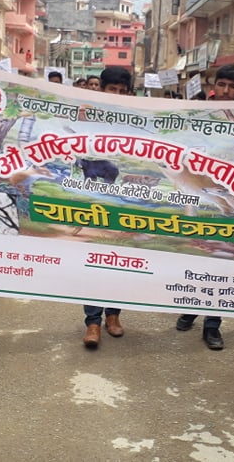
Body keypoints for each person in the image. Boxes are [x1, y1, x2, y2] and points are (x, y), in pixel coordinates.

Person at [174, 64, 234, 351]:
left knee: (221, 259)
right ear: (213, 86)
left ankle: (212, 325)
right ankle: (190, 309)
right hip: (197, 189)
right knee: (196, 255)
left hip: (226, 192)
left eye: (233, 87)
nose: (226, 91)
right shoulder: (196, 116)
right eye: (222, 85)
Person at [81, 66, 133, 349]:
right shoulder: (87, 118)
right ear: (101, 89)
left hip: (121, 199)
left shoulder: (134, 121)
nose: (117, 95)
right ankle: (92, 321)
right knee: (92, 260)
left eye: (122, 91)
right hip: (92, 198)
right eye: (112, 90)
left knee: (119, 259)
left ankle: (113, 315)